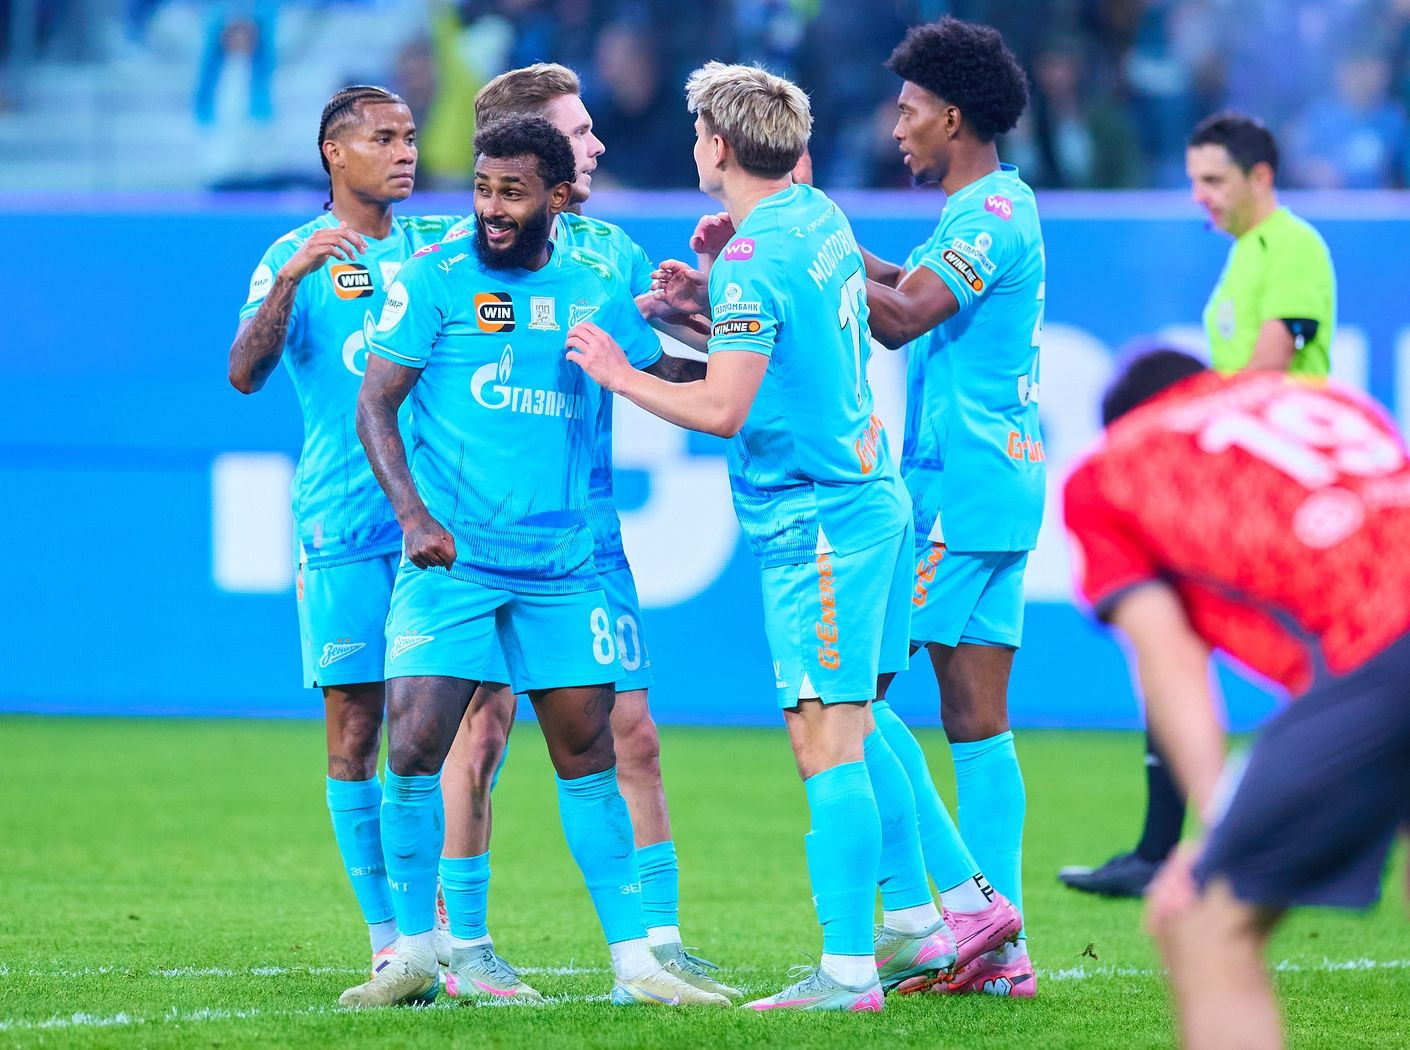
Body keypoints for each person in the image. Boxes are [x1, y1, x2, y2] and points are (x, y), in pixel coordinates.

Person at [569, 60, 955, 1013]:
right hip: (868, 500)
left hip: (817, 522)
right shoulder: (816, 216)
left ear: (718, 146)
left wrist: (620, 372)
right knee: (854, 722)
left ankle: (848, 971)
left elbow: (724, 408)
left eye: (701, 132)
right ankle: (915, 922)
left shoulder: (753, 258)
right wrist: (698, 307)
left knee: (826, 737)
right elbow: (785, 356)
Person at [336, 116, 727, 1010]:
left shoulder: (595, 283)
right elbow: (374, 404)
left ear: (556, 197)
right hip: (455, 563)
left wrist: (730, 339)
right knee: (414, 747)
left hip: (561, 567)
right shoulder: (434, 276)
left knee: (589, 755)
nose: (491, 208)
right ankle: (414, 954)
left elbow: (666, 372)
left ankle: (636, 964)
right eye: (482, 188)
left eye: (511, 192)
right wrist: (412, 515)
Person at [1065, 348, 1410, 1050]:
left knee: (1203, 919)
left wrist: (1216, 827)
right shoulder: (1326, 399)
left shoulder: (1112, 470)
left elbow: (1168, 657)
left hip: (1382, 642)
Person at [1061, 112, 1338, 900]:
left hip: (1277, 487)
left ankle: (1187, 845)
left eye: (1214, 180)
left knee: (1270, 656)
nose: (1201, 196)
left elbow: (1267, 371)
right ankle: (1163, 847)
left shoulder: (1291, 246)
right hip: (1244, 480)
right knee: (1179, 644)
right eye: (1193, 181)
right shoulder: (1248, 254)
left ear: (1260, 176)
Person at [227, 85, 460, 973]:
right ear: (335, 152)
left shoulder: (440, 248)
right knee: (356, 735)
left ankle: (444, 931)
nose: (405, 152)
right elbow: (244, 373)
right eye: (384, 138)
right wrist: (292, 280)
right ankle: (388, 942)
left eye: (410, 137)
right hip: (342, 524)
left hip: (432, 528)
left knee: (431, 734)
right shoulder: (292, 257)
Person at [857, 17, 1042, 996]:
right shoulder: (986, 211)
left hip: (955, 496)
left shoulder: (986, 217)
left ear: (954, 117)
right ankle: (1003, 955)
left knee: (851, 698)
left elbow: (900, 320)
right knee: (976, 718)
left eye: (910, 111)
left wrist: (808, 248)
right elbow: (906, 287)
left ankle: (966, 912)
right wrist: (838, 250)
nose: (898, 129)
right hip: (997, 485)